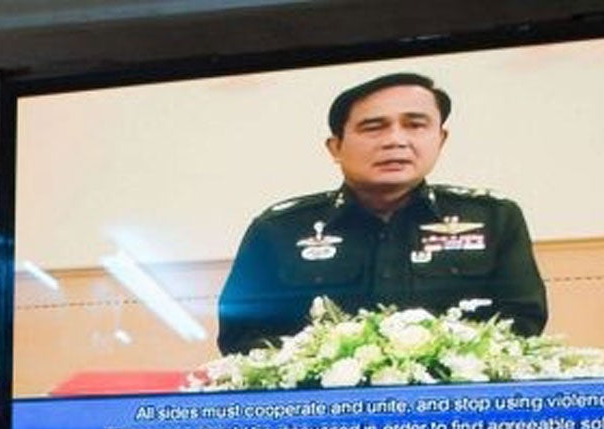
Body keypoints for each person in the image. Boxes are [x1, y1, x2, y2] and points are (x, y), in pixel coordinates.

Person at [216, 71, 547, 355]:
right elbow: (240, 336)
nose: (396, 140)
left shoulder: (494, 218)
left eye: (415, 125)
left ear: (440, 139)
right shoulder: (278, 230)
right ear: (336, 147)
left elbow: (523, 322)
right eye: (374, 127)